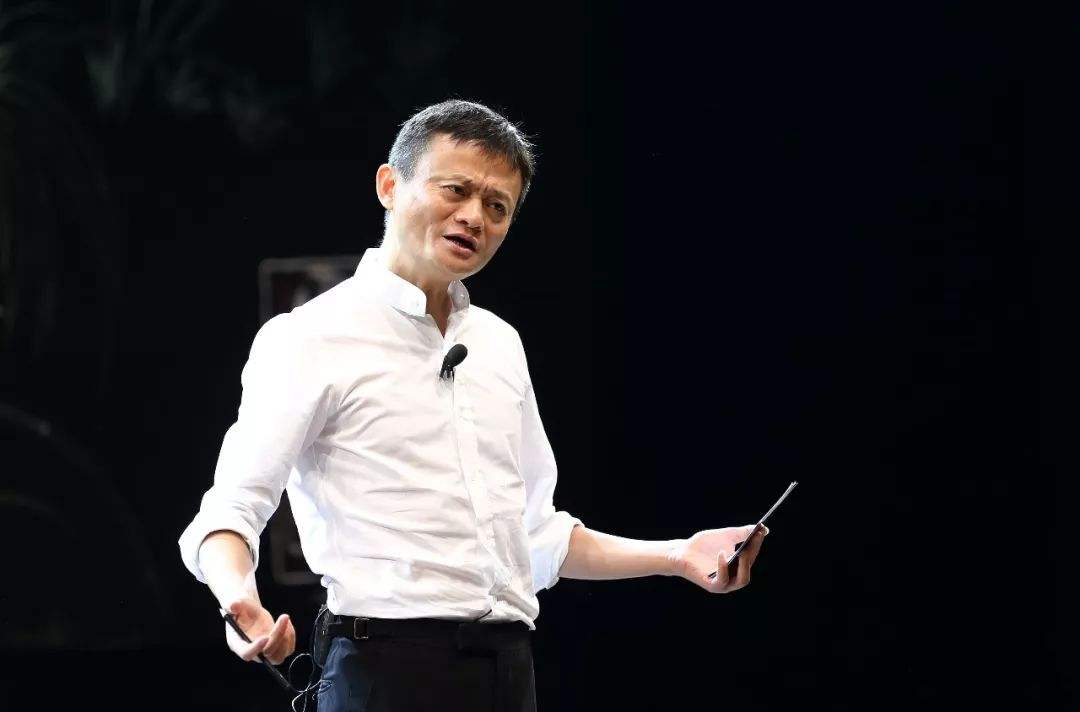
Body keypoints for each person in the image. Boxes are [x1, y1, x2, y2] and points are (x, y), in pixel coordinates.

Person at [178, 99, 768, 712]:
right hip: (385, 672)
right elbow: (231, 508)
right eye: (455, 190)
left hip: (508, 672)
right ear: (389, 185)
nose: (473, 218)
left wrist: (677, 555)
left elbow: (536, 534)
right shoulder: (308, 337)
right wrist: (238, 597)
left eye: (497, 207)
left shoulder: (498, 343)